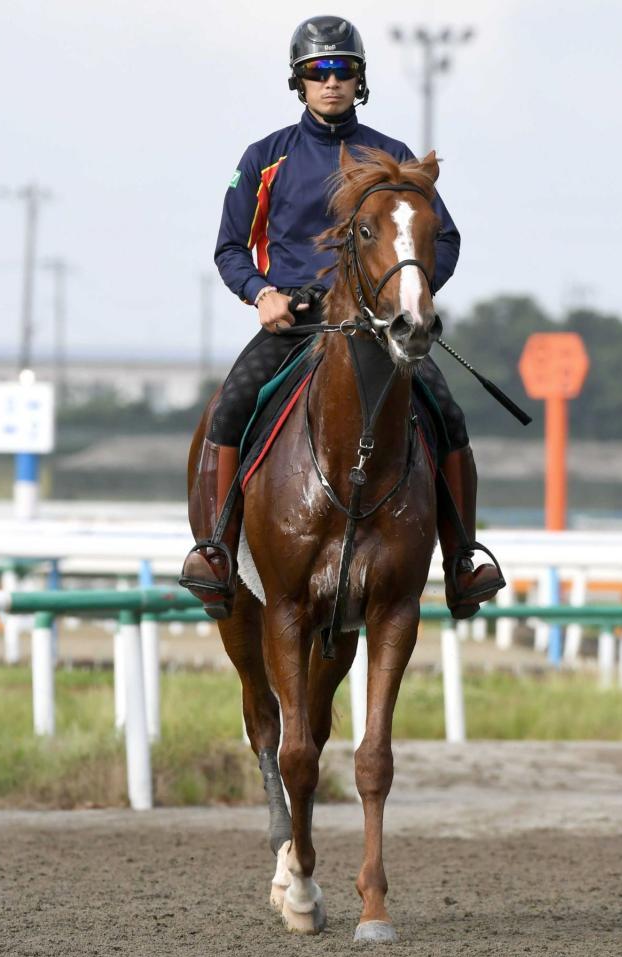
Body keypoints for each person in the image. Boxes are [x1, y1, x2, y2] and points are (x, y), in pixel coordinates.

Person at [180, 15, 503, 619]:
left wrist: (409, 293)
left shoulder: (395, 158)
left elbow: (445, 239)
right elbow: (228, 249)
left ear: (360, 81)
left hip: (379, 331)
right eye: (318, 72)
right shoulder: (263, 158)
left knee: (448, 414)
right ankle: (215, 552)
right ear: (299, 82)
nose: (331, 82)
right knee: (228, 408)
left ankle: (462, 561)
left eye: (343, 71)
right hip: (296, 324)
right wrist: (261, 293)